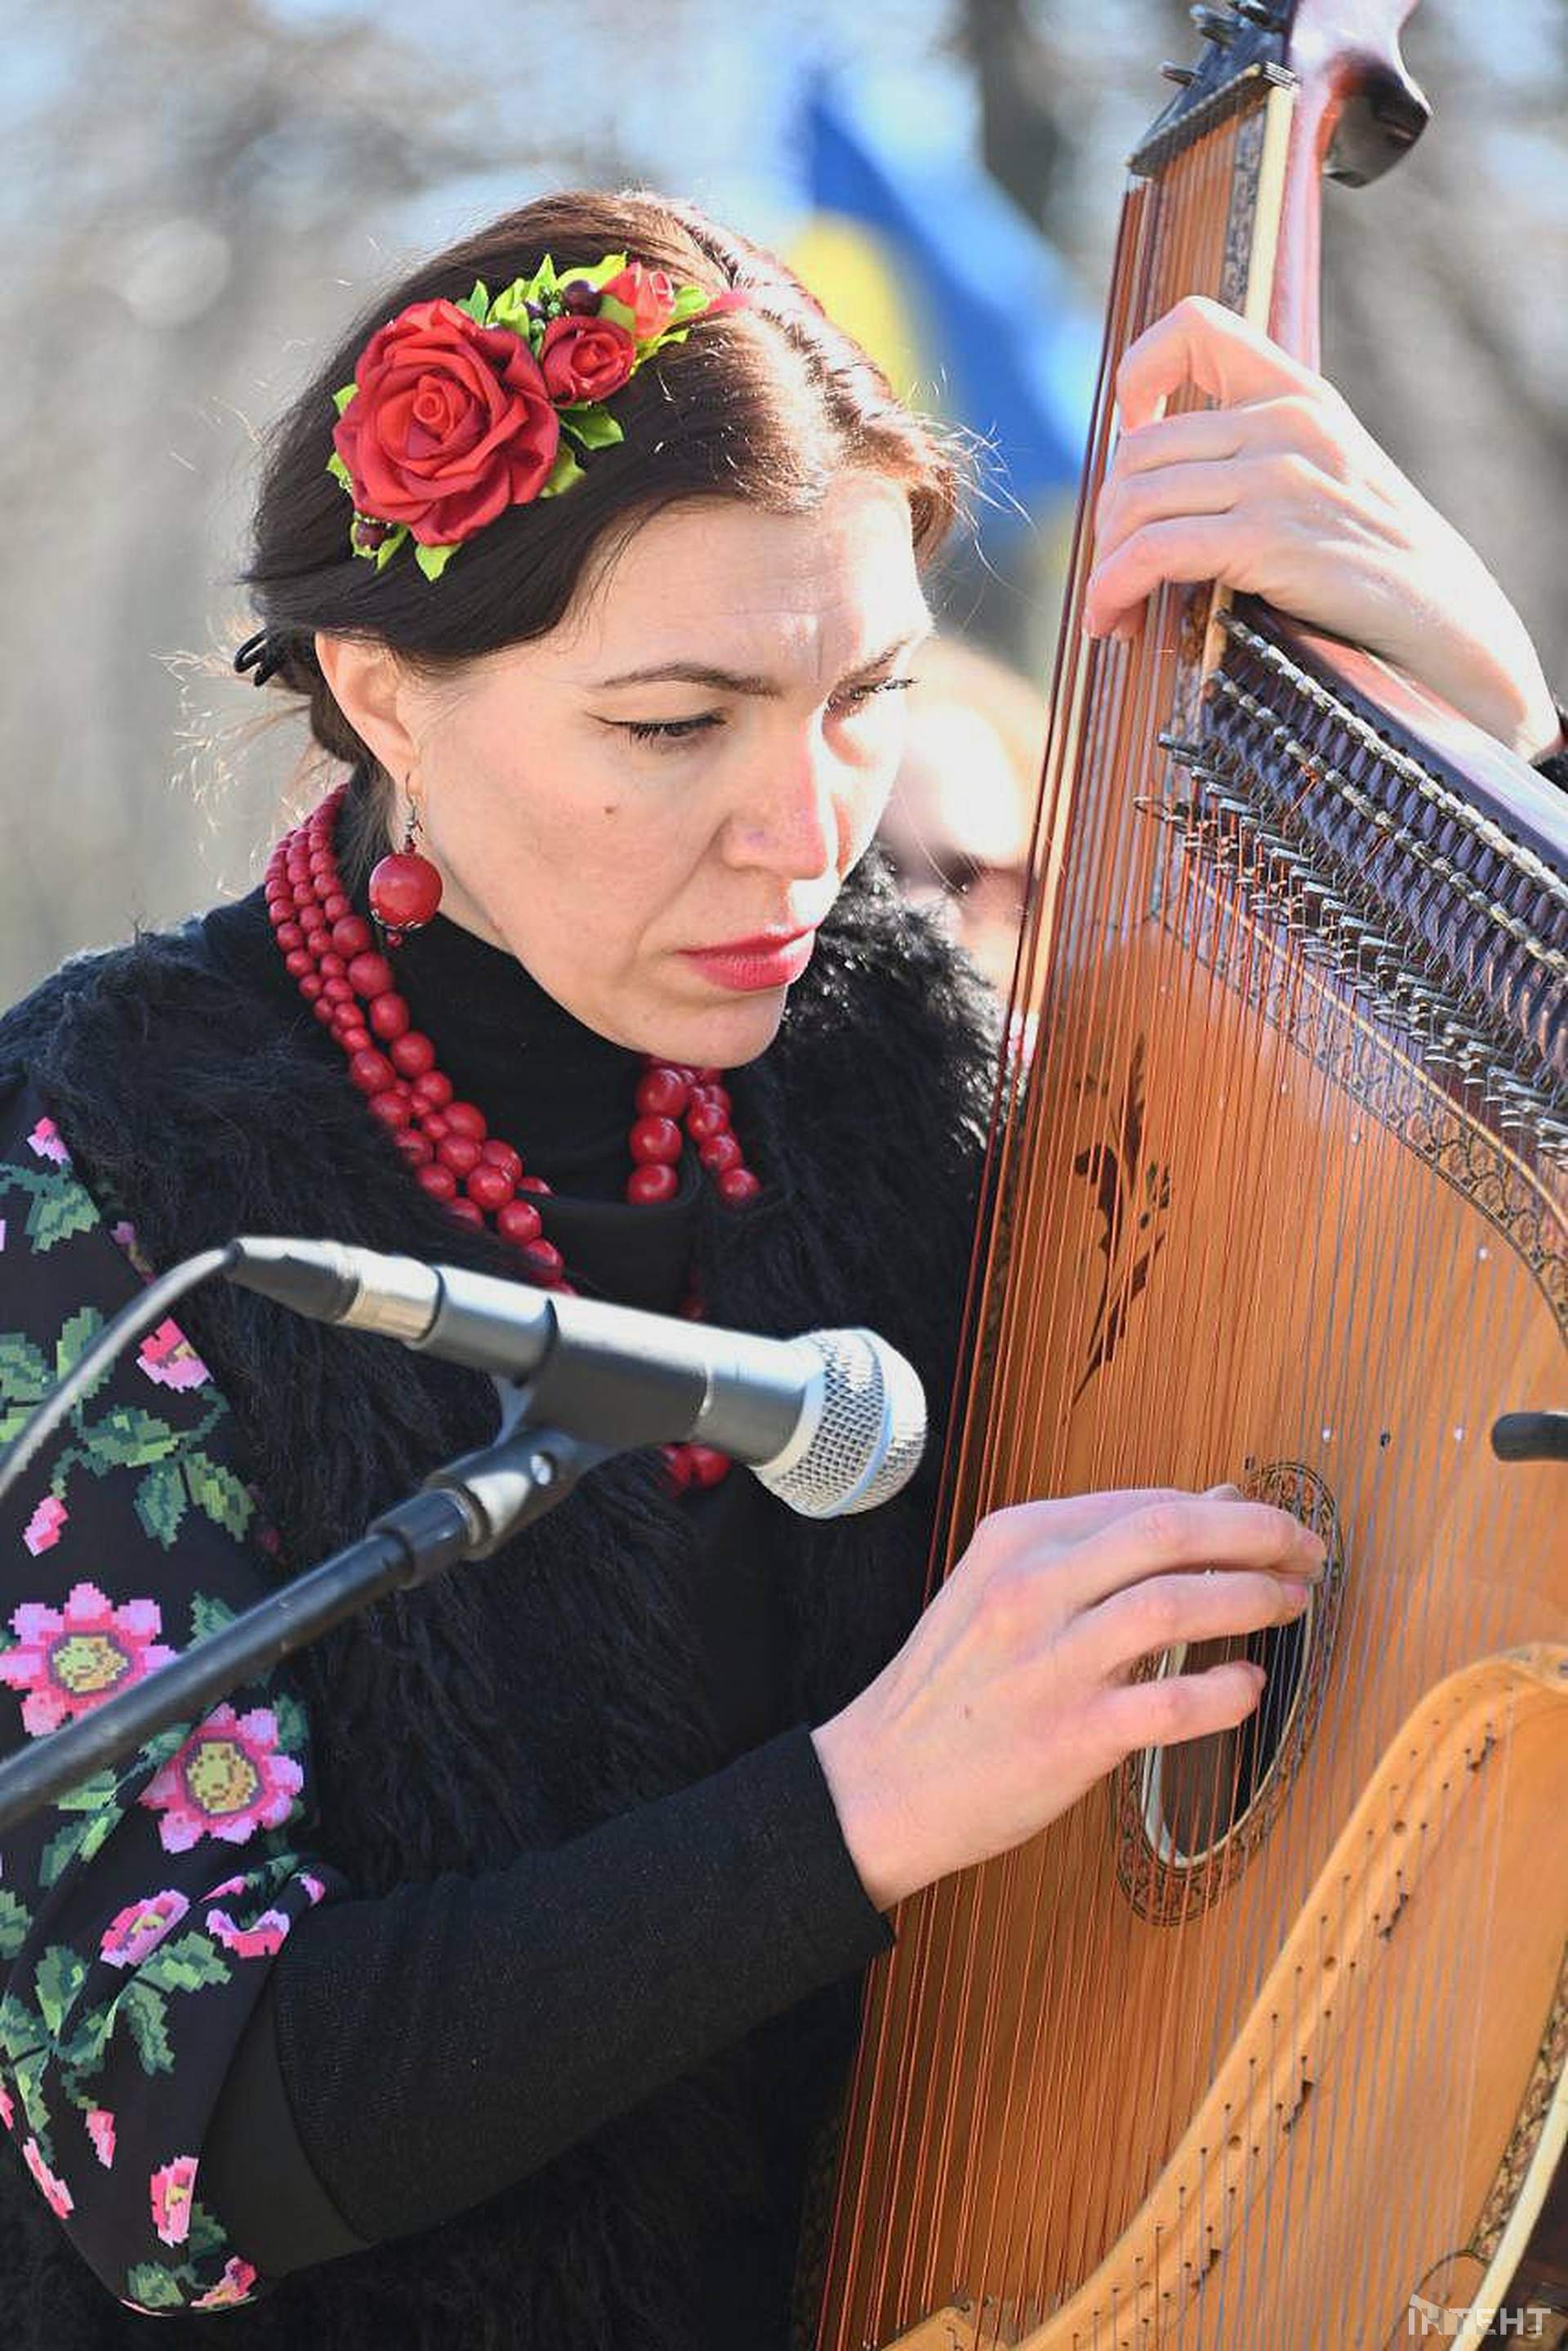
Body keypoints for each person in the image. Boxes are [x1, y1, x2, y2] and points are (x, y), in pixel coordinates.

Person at [0, 191, 1561, 2351]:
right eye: (677, 724)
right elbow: (170, 2147)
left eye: (867, 697)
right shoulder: (101, 1156)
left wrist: (1499, 749)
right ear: (384, 695)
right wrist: (862, 1807)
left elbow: (1457, 1327)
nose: (806, 830)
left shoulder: (897, 1053)